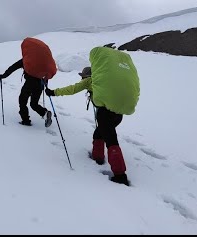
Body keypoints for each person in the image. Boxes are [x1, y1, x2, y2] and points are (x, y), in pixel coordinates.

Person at [45, 46, 140, 186]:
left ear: (87, 75)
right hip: (118, 114)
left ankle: (120, 175)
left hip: (104, 114)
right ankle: (98, 158)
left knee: (111, 140)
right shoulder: (104, 81)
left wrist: (53, 92)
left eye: (83, 76)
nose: (82, 78)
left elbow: (71, 89)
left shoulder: (90, 81)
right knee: (99, 134)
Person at [0, 59, 53, 127]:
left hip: (29, 83)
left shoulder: (27, 59)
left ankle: (26, 121)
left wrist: (4, 75)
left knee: (22, 101)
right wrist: (45, 83)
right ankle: (45, 113)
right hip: (40, 84)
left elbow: (13, 67)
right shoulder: (42, 60)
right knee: (34, 104)